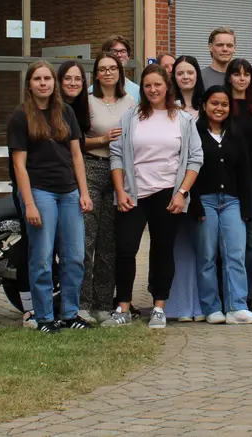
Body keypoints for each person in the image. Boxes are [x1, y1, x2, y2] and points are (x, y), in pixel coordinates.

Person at [102, 64, 203, 329]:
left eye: (157, 84)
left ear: (167, 86)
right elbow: (116, 154)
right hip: (133, 195)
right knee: (125, 250)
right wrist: (120, 190)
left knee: (162, 250)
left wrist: (182, 193)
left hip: (168, 195)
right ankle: (122, 307)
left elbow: (195, 159)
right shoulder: (131, 117)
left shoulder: (183, 119)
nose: (153, 89)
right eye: (147, 85)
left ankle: (159, 307)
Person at [8, 60, 93, 333]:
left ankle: (69, 315)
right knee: (42, 258)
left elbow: (77, 155)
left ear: (53, 83)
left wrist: (84, 192)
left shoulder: (65, 112)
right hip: (40, 192)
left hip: (69, 192)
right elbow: (19, 165)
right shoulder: (20, 117)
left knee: (75, 256)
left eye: (47, 78)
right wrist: (29, 203)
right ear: (29, 85)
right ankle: (44, 317)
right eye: (38, 79)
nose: (43, 83)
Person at [188, 86, 252, 324]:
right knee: (207, 255)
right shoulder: (194, 133)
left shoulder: (235, 135)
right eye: (214, 103)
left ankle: (236, 307)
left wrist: (246, 208)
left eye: (224, 104)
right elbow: (190, 170)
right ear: (204, 105)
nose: (219, 108)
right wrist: (195, 205)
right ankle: (212, 308)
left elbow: (244, 173)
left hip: (232, 202)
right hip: (204, 202)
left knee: (235, 254)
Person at [80, 54, 136, 324]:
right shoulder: (87, 101)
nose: (108, 73)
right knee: (86, 240)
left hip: (121, 175)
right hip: (92, 168)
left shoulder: (131, 102)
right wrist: (101, 139)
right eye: (102, 69)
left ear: (120, 72)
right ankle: (82, 303)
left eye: (113, 68)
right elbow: (76, 141)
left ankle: (103, 304)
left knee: (108, 243)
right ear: (96, 74)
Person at [164, 55, 205, 322]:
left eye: (190, 72)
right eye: (180, 73)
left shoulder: (208, 103)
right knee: (178, 246)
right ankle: (179, 306)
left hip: (205, 183)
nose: (186, 77)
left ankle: (202, 304)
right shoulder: (167, 109)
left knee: (203, 247)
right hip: (175, 183)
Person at [224, 58, 252, 313]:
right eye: (237, 74)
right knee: (228, 238)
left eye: (246, 74)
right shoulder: (221, 105)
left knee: (251, 239)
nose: (242, 78)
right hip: (226, 179)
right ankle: (226, 291)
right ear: (229, 77)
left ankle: (248, 294)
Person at [100, 35, 140, 101]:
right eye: (114, 51)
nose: (119, 55)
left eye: (123, 51)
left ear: (128, 56)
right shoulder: (92, 91)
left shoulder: (137, 90)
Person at [58, 60, 91, 137]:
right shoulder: (54, 107)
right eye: (67, 78)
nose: (73, 83)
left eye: (77, 79)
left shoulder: (84, 105)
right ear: (60, 81)